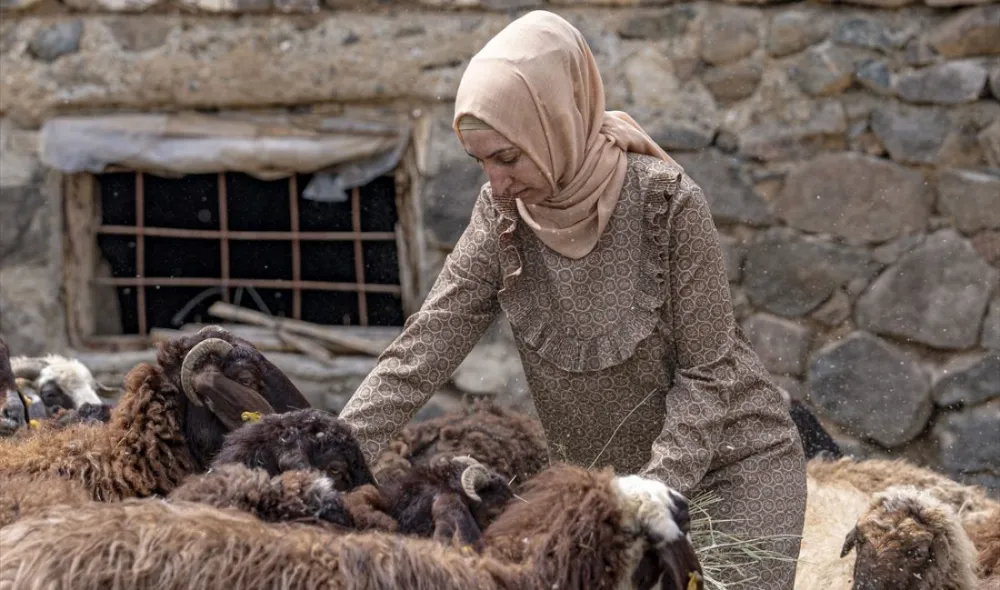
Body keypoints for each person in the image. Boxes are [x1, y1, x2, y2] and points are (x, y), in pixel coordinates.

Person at [337, 9, 806, 588]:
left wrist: (649, 495)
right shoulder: (502, 217)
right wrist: (327, 454)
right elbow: (423, 349)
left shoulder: (667, 204)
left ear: (556, 123)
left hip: (732, 473)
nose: (496, 181)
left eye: (508, 157)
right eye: (481, 161)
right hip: (609, 489)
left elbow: (707, 373)